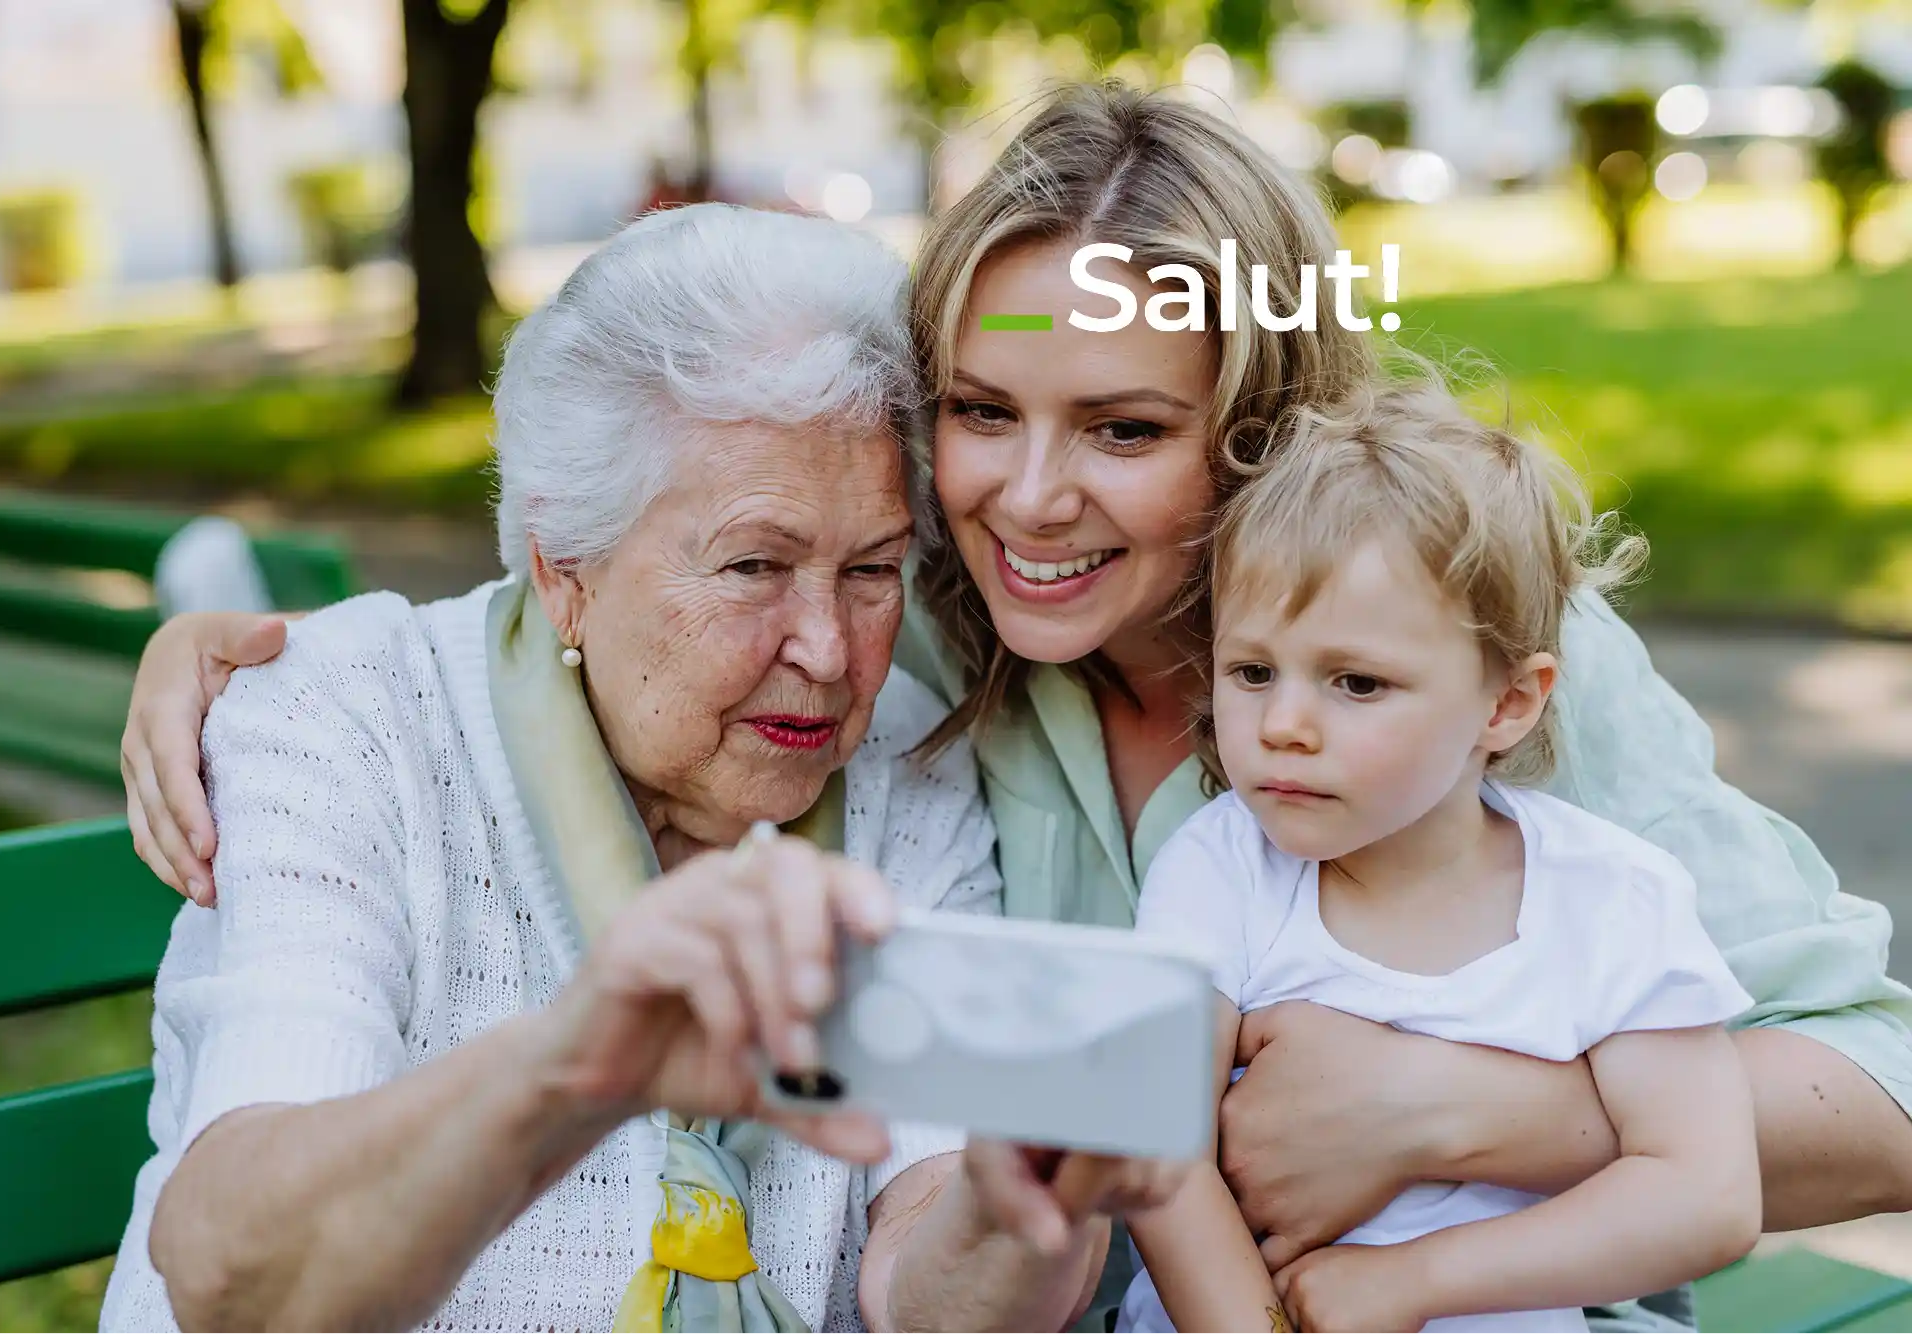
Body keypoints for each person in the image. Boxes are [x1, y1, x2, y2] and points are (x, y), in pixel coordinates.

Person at [118, 83, 1912, 1333]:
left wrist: (1457, 1107)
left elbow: (1884, 1085)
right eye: (982, 410)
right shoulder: (922, 650)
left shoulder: (1463, 660)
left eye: (1125, 430)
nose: (1029, 500)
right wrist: (265, 655)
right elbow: (633, 583)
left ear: (1257, 430)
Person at [97, 204, 1185, 1334]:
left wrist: (1015, 1218)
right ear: (561, 566)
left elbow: (926, 1273)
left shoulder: (903, 762)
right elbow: (235, 1277)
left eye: (868, 569)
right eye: (754, 565)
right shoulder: (344, 722)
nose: (824, 647)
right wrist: (583, 1063)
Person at [1126, 381, 1761, 1334]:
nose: (1284, 726)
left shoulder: (1609, 900)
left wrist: (1415, 1280)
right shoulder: (1219, 874)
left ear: (1508, 703)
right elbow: (1159, 1159)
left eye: (1356, 682)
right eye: (1253, 671)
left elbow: (1705, 1192)